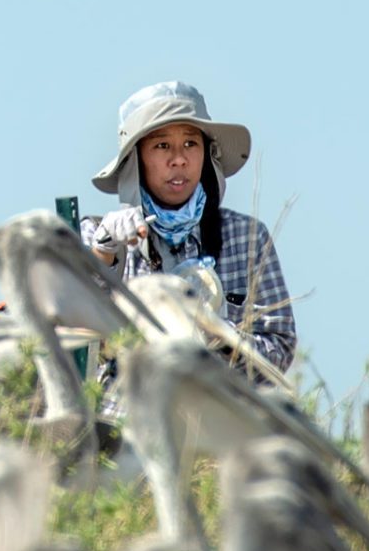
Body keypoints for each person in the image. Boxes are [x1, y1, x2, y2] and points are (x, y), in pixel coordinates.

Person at [81, 81, 296, 378]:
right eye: (161, 145)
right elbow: (75, 344)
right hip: (126, 415)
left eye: (190, 144)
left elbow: (280, 348)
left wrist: (221, 338)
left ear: (208, 155)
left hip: (222, 414)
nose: (179, 158)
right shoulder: (98, 235)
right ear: (136, 160)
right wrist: (103, 257)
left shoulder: (247, 238)